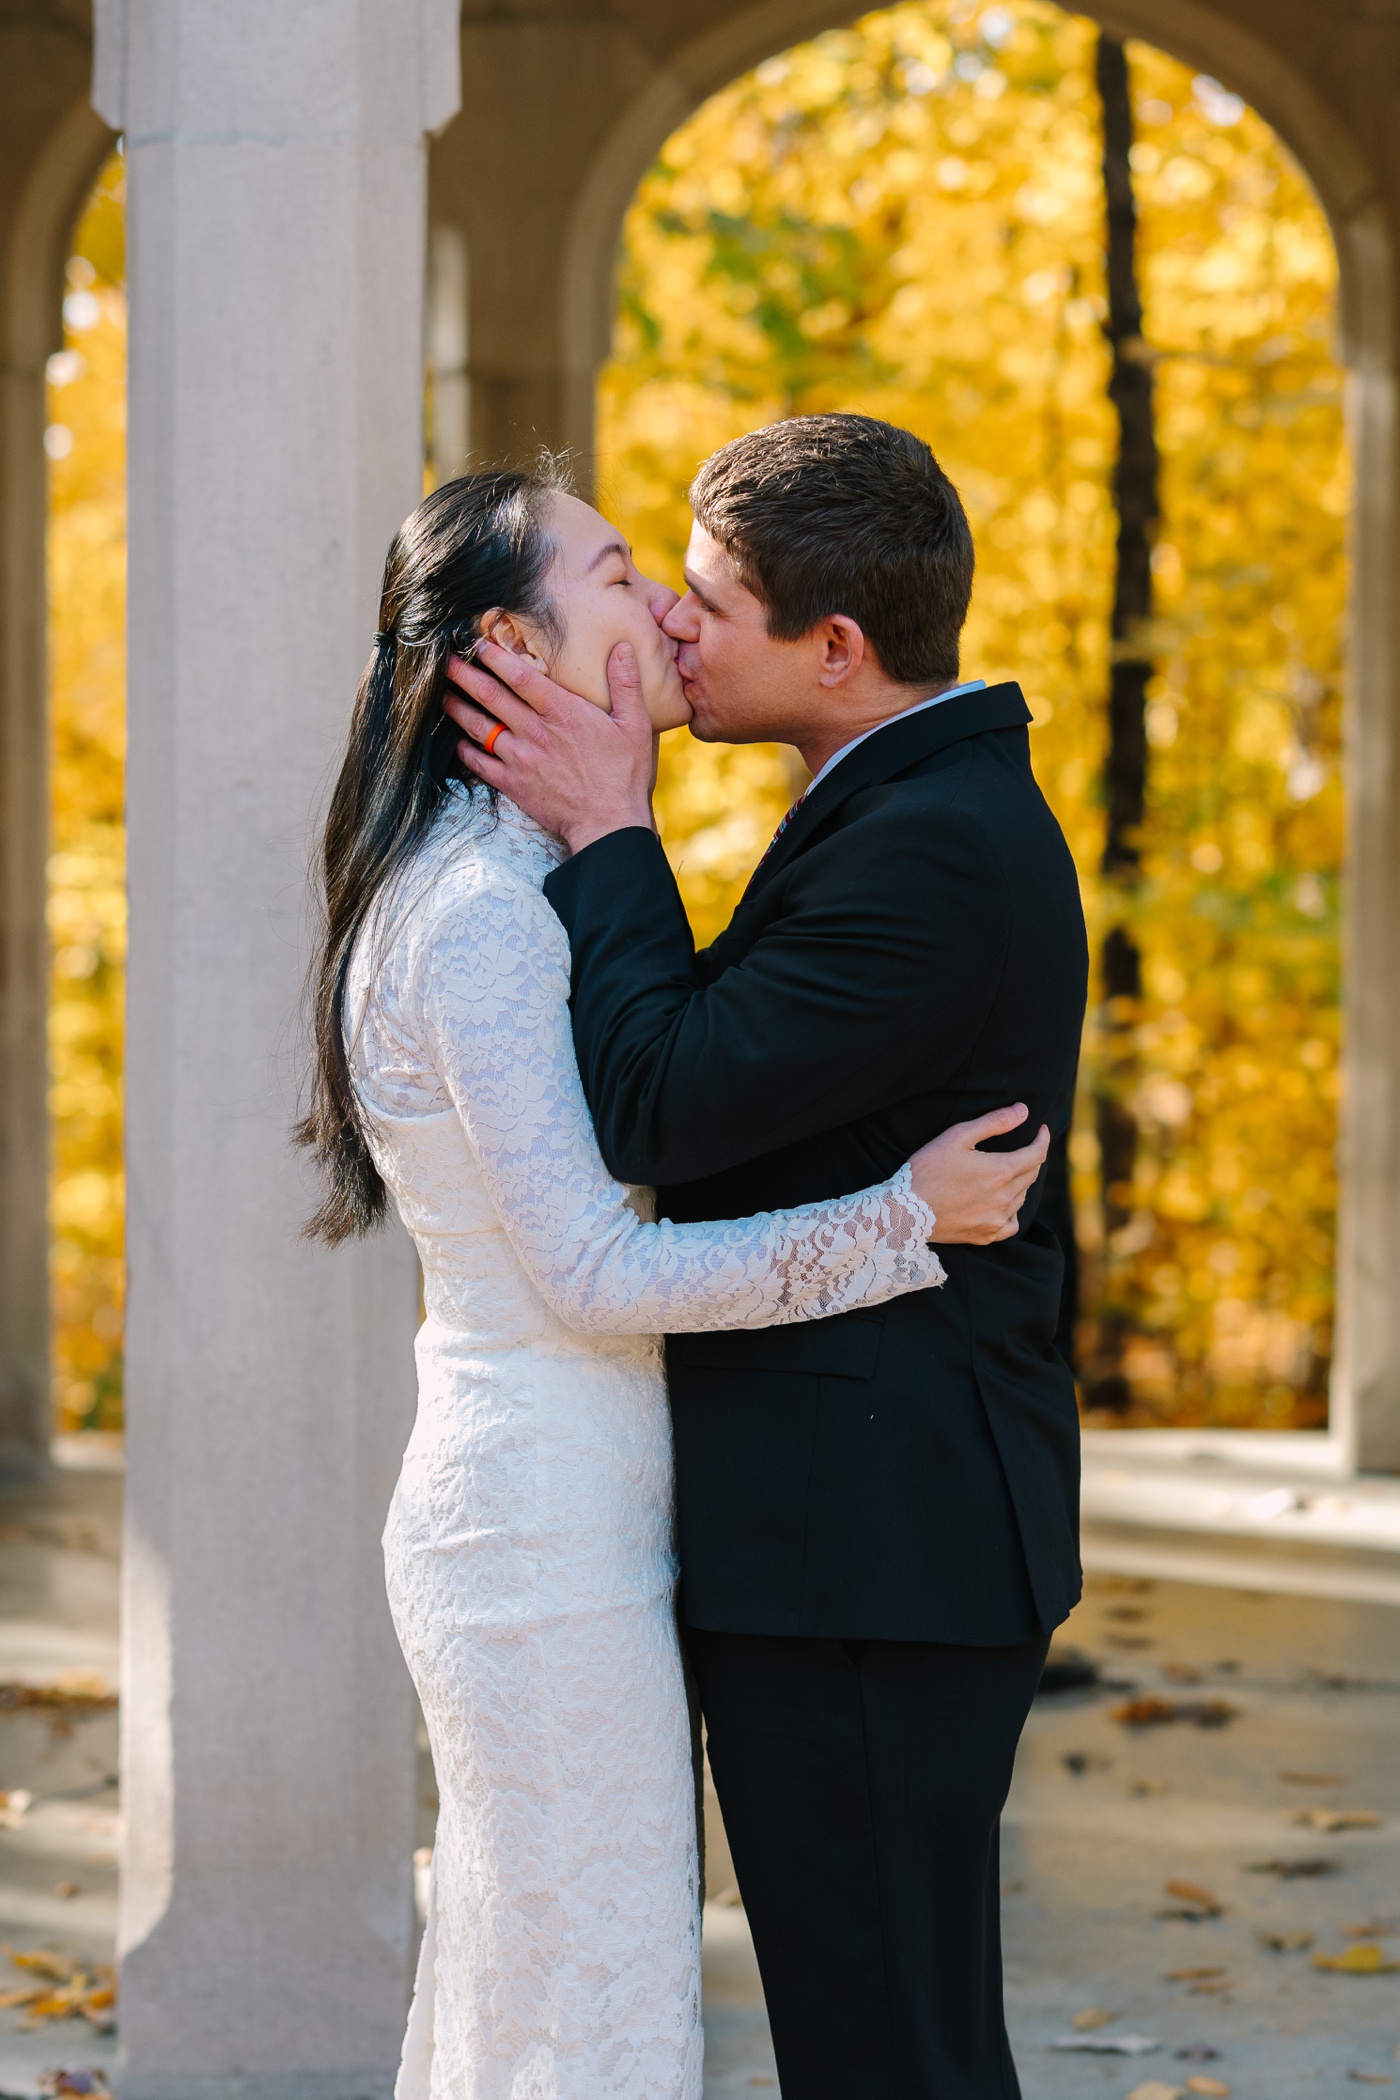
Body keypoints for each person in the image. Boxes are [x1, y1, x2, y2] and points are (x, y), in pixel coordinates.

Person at [297, 463, 1050, 2100]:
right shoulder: (486, 907)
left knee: (584, 1996)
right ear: (505, 643)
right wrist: (895, 1222)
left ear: (835, 646)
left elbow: (667, 1098)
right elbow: (597, 1247)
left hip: (817, 1543)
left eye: (690, 591)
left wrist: (611, 824)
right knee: (583, 2002)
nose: (662, 614)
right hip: (561, 1524)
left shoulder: (893, 841)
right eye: (632, 575)